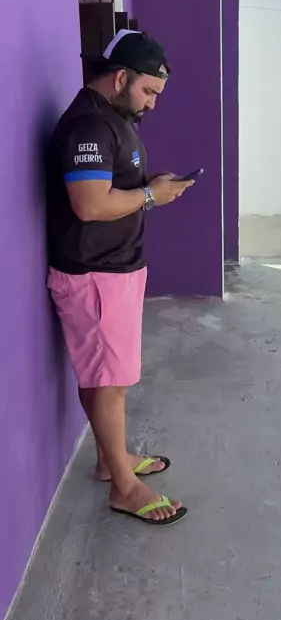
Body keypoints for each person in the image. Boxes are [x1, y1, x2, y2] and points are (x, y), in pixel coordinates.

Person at [46, 29, 193, 526]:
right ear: (121, 77)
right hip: (96, 275)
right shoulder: (90, 125)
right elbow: (89, 204)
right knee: (110, 381)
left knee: (106, 376)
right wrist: (151, 196)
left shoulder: (110, 118)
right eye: (148, 91)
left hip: (113, 271)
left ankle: (113, 460)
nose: (152, 103)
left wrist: (152, 187)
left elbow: (114, 187)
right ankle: (124, 488)